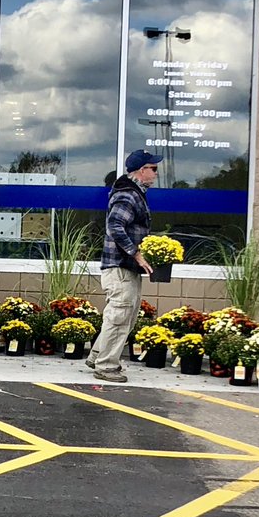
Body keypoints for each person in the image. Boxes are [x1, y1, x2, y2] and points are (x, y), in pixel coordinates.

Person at [87, 149, 163, 383]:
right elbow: (115, 226)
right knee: (120, 316)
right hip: (120, 266)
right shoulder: (128, 195)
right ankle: (106, 366)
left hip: (125, 266)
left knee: (123, 316)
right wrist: (137, 254)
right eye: (154, 168)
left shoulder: (134, 193)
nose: (156, 174)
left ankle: (98, 354)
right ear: (142, 171)